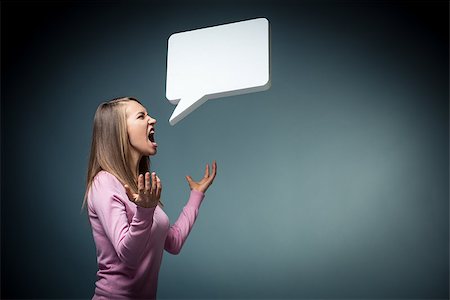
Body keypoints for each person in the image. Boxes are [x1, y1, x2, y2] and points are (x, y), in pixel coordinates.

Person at [82, 96, 217, 299]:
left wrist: (196, 195)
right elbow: (128, 256)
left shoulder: (140, 188)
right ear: (119, 131)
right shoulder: (104, 183)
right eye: (141, 116)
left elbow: (173, 242)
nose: (152, 120)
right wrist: (144, 211)